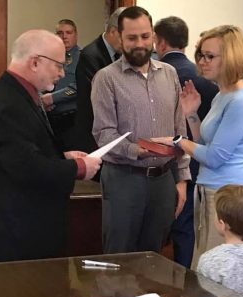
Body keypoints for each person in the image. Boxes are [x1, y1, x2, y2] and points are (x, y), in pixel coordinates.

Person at [0, 29, 101, 263]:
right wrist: (79, 168)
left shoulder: (16, 94)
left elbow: (21, 151)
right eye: (59, 66)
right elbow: (26, 168)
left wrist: (62, 157)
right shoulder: (7, 104)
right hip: (13, 236)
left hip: (23, 230)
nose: (62, 74)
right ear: (35, 62)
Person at [152, 25, 243, 268]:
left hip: (232, 199)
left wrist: (177, 141)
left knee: (222, 278)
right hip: (211, 190)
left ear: (232, 57)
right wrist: (191, 115)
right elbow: (206, 144)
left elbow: (214, 157)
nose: (202, 62)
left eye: (210, 56)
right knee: (204, 272)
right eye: (200, 55)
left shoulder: (242, 100)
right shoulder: (223, 94)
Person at [91, 6, 191, 254]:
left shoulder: (170, 74)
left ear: (154, 36)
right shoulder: (106, 78)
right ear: (119, 38)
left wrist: (182, 180)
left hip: (164, 183)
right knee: (119, 257)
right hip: (124, 180)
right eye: (132, 38)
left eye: (145, 36)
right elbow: (104, 135)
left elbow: (180, 130)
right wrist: (140, 151)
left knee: (154, 258)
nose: (140, 43)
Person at [154, 16, 219, 267]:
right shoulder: (203, 77)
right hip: (199, 165)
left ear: (160, 43)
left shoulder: (161, 76)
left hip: (174, 162)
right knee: (190, 232)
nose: (205, 61)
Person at [73, 7, 126, 164]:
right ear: (113, 31)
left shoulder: (124, 53)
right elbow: (97, 100)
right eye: (125, 36)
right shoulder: (91, 55)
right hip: (94, 131)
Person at [41, 19, 80, 149]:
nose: (64, 37)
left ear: (76, 35)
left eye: (68, 32)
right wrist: (41, 98)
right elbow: (40, 79)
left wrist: (52, 98)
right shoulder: (48, 57)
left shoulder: (83, 57)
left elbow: (79, 86)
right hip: (48, 116)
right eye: (60, 33)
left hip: (70, 119)